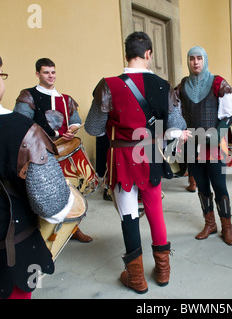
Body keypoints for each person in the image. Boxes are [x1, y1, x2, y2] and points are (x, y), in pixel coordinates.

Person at [0, 42, 74, 299]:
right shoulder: (22, 127)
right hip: (13, 244)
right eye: (1, 74)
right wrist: (66, 197)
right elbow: (51, 205)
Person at [85, 32, 186, 294]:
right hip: (151, 154)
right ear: (148, 54)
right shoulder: (164, 85)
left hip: (122, 158)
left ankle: (137, 278)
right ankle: (163, 272)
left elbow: (94, 129)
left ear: (126, 53)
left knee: (129, 215)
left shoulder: (108, 85)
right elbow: (175, 127)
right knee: (155, 211)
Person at [14, 58, 92, 243]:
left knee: (71, 191)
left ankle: (73, 228)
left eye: (53, 72)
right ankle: (39, 233)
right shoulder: (28, 95)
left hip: (64, 151)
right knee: (43, 195)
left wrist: (71, 132)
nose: (51, 76)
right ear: (37, 74)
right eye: (46, 72)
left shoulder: (65, 99)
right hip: (39, 154)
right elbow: (21, 124)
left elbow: (74, 121)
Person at [175, 46, 232, 246]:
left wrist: (216, 135)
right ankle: (210, 223)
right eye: (192, 58)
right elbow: (173, 109)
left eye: (199, 58)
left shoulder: (218, 82)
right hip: (192, 145)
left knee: (219, 185)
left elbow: (229, 114)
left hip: (213, 146)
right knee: (202, 186)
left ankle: (227, 227)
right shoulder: (183, 85)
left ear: (205, 60)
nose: (195, 62)